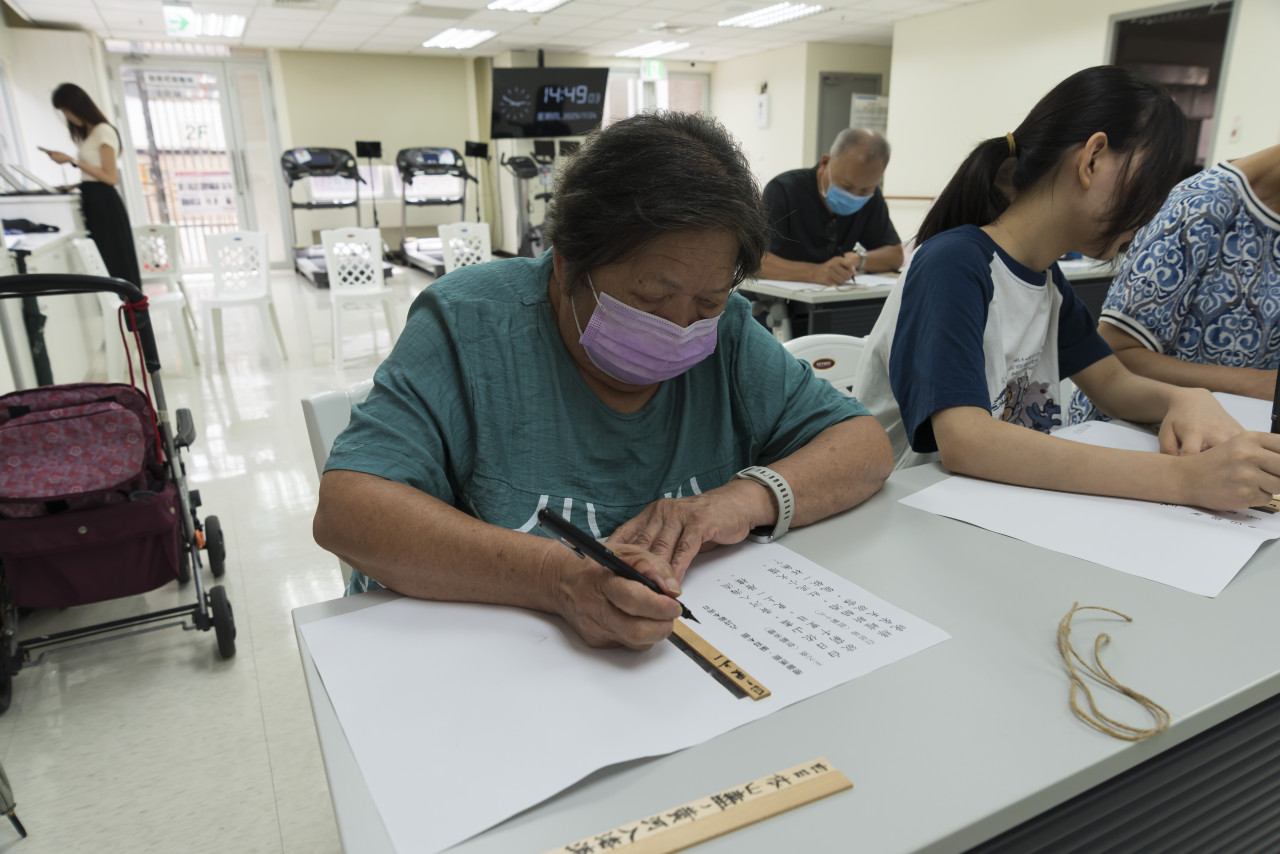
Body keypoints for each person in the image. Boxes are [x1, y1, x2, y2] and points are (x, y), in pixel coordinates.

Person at [313, 112, 893, 651]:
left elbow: (863, 445)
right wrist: (555, 577)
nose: (680, 325)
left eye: (708, 300)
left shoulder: (730, 335)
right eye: (652, 297)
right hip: (471, 675)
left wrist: (745, 498)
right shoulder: (470, 325)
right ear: (567, 265)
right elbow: (349, 509)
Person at [851, 65, 1280, 510]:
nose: (1151, 212)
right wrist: (1183, 480)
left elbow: (1113, 383)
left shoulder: (1047, 280)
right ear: (1093, 158)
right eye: (1150, 188)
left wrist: (1187, 398)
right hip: (903, 508)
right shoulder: (954, 263)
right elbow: (966, 441)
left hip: (982, 504)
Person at [1069, 143, 1280, 423]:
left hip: (1224, 435)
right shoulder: (1200, 205)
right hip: (1130, 434)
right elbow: (1112, 353)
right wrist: (1254, 384)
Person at [760, 128, 904, 286]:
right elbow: (756, 261)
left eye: (865, 190)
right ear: (825, 163)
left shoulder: (872, 198)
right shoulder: (783, 190)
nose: (854, 196)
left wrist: (860, 259)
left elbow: (895, 256)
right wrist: (814, 272)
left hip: (832, 301)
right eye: (846, 186)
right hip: (776, 301)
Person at [40, 83, 141, 286]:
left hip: (105, 203)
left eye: (66, 110)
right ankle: (120, 309)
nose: (66, 116)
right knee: (107, 262)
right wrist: (77, 185)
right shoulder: (91, 133)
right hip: (94, 198)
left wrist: (73, 161)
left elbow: (111, 177)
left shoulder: (103, 131)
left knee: (115, 261)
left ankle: (131, 311)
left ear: (78, 106)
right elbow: (97, 174)